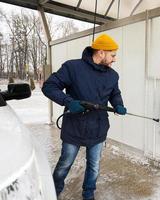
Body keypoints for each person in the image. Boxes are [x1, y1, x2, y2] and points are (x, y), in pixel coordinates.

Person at [42, 34, 127, 200]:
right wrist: (69, 101)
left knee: (94, 166)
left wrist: (118, 104)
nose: (114, 59)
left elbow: (115, 93)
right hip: (74, 127)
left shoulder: (112, 75)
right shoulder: (72, 68)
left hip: (98, 128)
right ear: (101, 53)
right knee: (65, 164)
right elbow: (49, 86)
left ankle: (88, 194)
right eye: (113, 55)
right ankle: (54, 190)